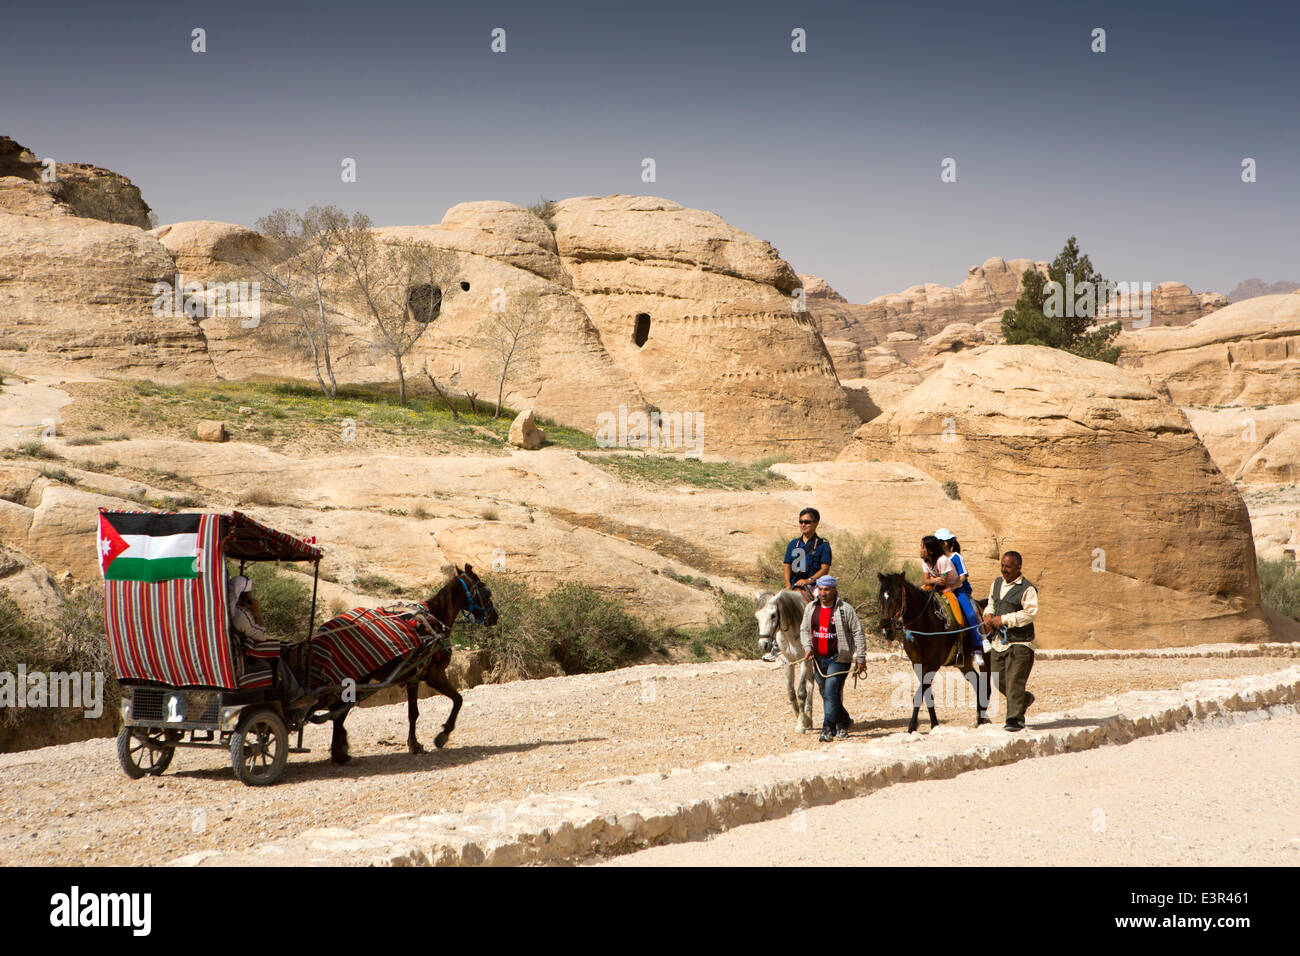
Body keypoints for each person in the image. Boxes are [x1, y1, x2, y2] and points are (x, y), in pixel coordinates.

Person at [800, 576, 867, 742]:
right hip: (818, 659)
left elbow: (858, 632)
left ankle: (827, 729)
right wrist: (807, 647)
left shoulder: (845, 610)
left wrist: (861, 657)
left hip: (839, 658)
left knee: (830, 692)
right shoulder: (811, 609)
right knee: (827, 693)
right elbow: (804, 630)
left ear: (834, 590)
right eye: (820, 589)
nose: (823, 593)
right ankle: (843, 721)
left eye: (826, 589)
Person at [228, 575, 308, 707]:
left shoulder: (221, 611)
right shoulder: (240, 616)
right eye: (249, 594)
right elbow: (262, 636)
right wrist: (256, 610)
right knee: (276, 656)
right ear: (243, 595)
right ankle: (294, 694)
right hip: (240, 665)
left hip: (228, 660)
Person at [766, 507, 832, 661]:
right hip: (794, 585)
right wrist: (788, 584)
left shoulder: (822, 545)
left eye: (807, 522)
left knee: (824, 607)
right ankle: (776, 645)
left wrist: (810, 580)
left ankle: (827, 640)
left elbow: (825, 568)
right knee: (777, 607)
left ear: (816, 523)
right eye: (801, 522)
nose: (803, 525)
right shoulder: (793, 544)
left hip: (813, 585)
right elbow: (787, 565)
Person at [982, 551, 1038, 732]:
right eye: (1002, 566)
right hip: (999, 641)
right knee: (999, 680)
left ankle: (1015, 720)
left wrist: (1004, 620)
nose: (1004, 570)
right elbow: (991, 602)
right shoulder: (996, 583)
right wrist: (988, 615)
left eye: (1008, 567)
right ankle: (1024, 698)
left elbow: (1030, 614)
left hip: (1020, 642)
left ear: (1018, 567)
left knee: (1015, 681)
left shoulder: (1028, 589)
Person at [935, 528, 984, 670]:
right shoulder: (939, 559)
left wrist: (953, 587)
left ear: (946, 543)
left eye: (939, 542)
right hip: (943, 591)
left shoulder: (956, 557)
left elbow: (963, 576)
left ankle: (976, 647)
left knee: (970, 614)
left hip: (959, 591)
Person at [919, 534, 969, 663]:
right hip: (937, 586)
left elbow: (944, 581)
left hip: (953, 588)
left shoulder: (943, 560)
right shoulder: (926, 561)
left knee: (968, 615)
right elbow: (927, 579)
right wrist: (933, 580)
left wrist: (933, 581)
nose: (920, 550)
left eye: (922, 547)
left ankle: (974, 642)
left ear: (930, 550)